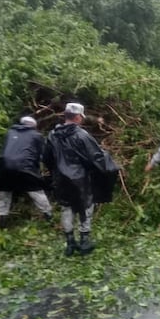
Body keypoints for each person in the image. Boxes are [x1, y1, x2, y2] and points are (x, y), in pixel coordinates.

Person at [44, 103, 119, 256]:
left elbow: (46, 158)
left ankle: (70, 243)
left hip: (61, 180)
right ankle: (84, 241)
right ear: (78, 117)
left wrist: (56, 171)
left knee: (67, 208)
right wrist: (111, 166)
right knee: (86, 207)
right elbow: (96, 156)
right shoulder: (82, 135)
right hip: (80, 180)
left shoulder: (52, 135)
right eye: (82, 117)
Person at [0, 116, 53, 228]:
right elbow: (42, 155)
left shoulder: (10, 132)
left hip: (4, 167)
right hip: (26, 167)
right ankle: (48, 216)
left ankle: (1, 220)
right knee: (36, 191)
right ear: (33, 126)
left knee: (5, 193)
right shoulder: (36, 136)